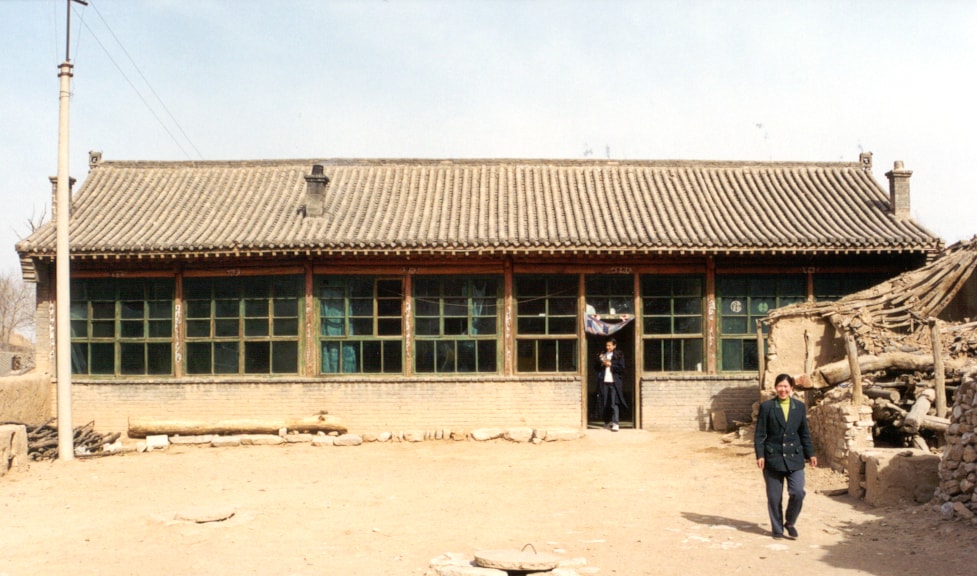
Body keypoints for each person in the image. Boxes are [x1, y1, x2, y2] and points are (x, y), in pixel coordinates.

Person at [754, 373, 817, 539]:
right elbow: (760, 434)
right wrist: (760, 455)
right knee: (774, 498)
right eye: (780, 386)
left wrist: (810, 453)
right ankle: (778, 529)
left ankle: (790, 522)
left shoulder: (799, 407)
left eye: (786, 386)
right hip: (773, 457)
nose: (783, 390)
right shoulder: (767, 407)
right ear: (775, 388)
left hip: (794, 457)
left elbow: (804, 432)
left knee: (797, 492)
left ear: (792, 388)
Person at [595, 337, 626, 432]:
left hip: (614, 382)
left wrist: (611, 365)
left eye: (609, 345)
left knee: (614, 403)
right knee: (605, 402)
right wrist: (600, 361)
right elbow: (596, 367)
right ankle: (607, 422)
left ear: (614, 345)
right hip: (604, 381)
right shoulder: (603, 354)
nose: (607, 347)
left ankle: (615, 423)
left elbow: (622, 368)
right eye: (606, 345)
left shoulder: (618, 355)